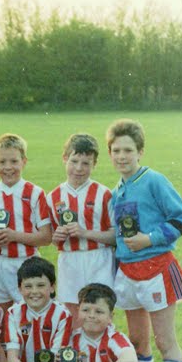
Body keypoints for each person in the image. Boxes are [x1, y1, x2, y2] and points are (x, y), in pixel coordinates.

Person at [106, 119, 182, 362]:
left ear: (140, 152)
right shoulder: (117, 191)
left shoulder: (153, 180)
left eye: (128, 150)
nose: (122, 156)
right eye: (116, 150)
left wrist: (151, 238)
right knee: (138, 340)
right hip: (128, 273)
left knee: (164, 340)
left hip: (156, 267)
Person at [0, 133, 52, 313]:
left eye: (14, 161)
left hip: (25, 263)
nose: (8, 167)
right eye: (2, 162)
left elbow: (46, 237)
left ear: (24, 162)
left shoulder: (35, 193)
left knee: (30, 315)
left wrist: (14, 236)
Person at [47, 133, 116, 320]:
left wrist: (85, 233)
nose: (78, 168)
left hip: (99, 259)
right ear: (64, 159)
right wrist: (57, 237)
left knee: (101, 314)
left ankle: (103, 350)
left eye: (86, 163)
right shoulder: (53, 196)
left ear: (94, 164)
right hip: (69, 260)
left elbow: (115, 236)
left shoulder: (104, 194)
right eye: (74, 161)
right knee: (72, 315)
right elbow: (50, 238)